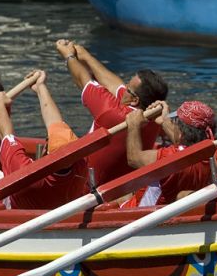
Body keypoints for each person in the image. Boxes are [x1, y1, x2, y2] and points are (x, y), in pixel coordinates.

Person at [56, 39, 168, 185]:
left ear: (134, 100)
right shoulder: (155, 117)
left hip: (84, 186)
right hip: (121, 186)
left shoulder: (112, 112)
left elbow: (83, 81)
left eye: (128, 86)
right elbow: (115, 85)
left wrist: (69, 56)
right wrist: (85, 56)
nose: (124, 85)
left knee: (56, 132)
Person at [0, 70, 89, 210]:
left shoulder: (25, 172)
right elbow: (54, 122)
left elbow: (6, 134)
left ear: (46, 149)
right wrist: (40, 87)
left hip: (16, 212)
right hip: (60, 206)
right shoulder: (81, 163)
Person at [125, 100, 217, 206]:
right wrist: (164, 121)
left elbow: (134, 158)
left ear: (181, 133)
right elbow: (182, 143)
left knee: (117, 200)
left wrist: (133, 125)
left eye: (175, 122)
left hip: (141, 214)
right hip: (172, 211)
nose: (172, 124)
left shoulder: (169, 157)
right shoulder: (211, 152)